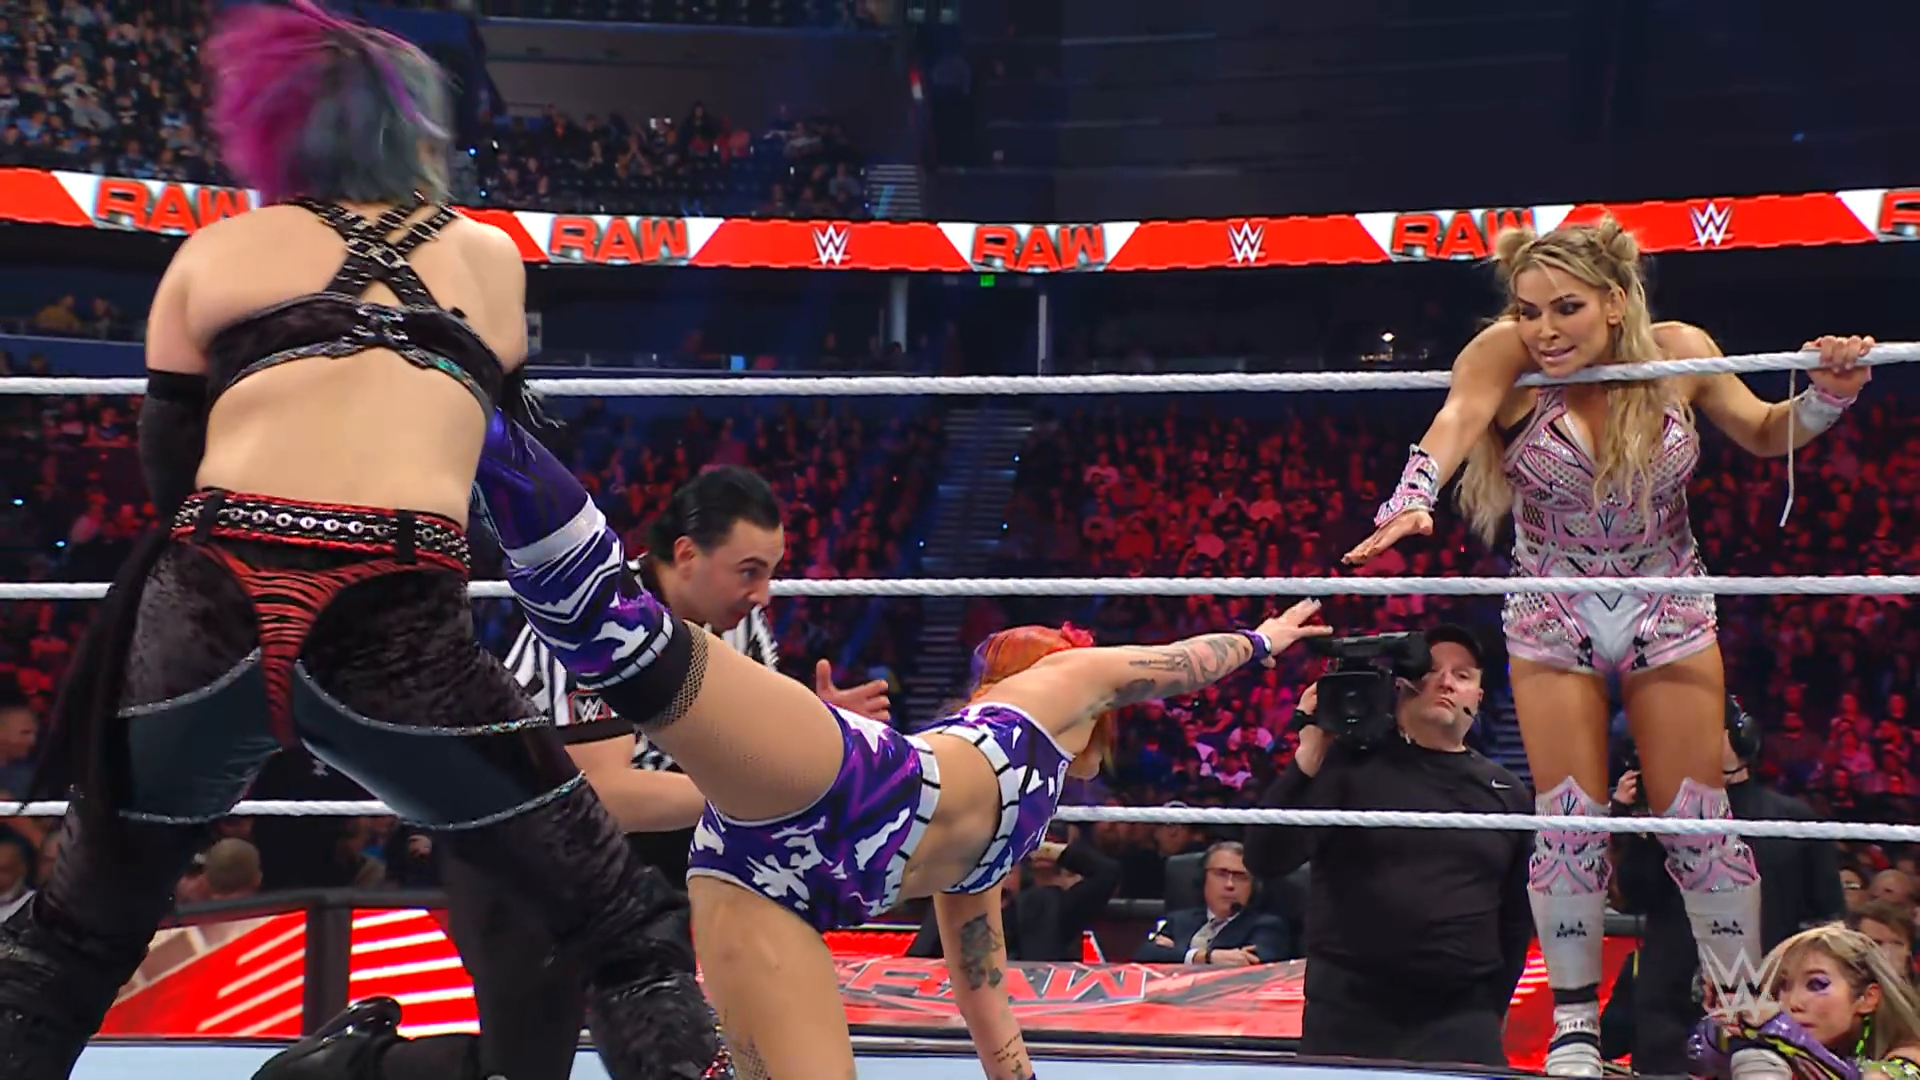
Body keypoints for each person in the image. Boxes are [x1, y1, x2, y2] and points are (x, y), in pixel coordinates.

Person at [0, 5, 722, 1080]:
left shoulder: (214, 253)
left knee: (71, 938)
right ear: (419, 130)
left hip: (208, 599)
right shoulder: (488, 256)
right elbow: (487, 454)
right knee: (620, 924)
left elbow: (170, 469)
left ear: (271, 128)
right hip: (395, 614)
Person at [468, 407, 1335, 1078]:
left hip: (763, 879)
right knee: (616, 632)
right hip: (848, 784)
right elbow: (1175, 665)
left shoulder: (990, 853)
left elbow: (981, 985)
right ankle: (477, 414)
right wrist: (1263, 639)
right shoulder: (1048, 691)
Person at [1343, 216, 1874, 1076]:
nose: (1544, 330)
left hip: (1668, 599)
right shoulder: (1503, 354)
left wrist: (1828, 394)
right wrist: (1412, 497)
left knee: (1699, 822)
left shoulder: (1679, 351)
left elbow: (1763, 429)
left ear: (1617, 301)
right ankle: (1575, 1028)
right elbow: (1455, 419)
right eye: (1528, 310)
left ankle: (1743, 1020)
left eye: (1567, 309)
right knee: (1569, 823)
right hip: (1553, 604)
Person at [270, 465, 891, 1080]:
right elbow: (606, 795)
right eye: (749, 571)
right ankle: (344, 1065)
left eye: (771, 572)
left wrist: (814, 733)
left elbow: (749, 745)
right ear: (686, 555)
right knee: (519, 1073)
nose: (763, 594)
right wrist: (758, 789)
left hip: (625, 861)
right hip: (513, 845)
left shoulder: (741, 624)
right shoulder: (596, 619)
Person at [1243, 623, 1532, 1068]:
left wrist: (1495, 1004)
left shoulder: (1506, 792)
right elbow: (1266, 857)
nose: (1445, 682)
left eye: (1462, 675)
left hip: (1459, 1013)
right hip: (1347, 1010)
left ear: (1478, 696)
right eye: (1431, 669)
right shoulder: (1346, 766)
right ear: (1400, 684)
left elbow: (1515, 918)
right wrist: (1309, 756)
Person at [1612, 695, 1848, 1073]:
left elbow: (1828, 922)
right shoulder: (1664, 820)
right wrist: (1634, 823)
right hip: (1667, 1013)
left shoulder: (1794, 821)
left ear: (1739, 739)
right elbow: (1634, 895)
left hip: (1765, 1012)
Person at [1691, 924, 1920, 1080]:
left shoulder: (1910, 1058)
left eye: (1816, 985)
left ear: (1867, 999)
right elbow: (1697, 1055)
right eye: (1782, 987)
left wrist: (1780, 1030)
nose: (1792, 1003)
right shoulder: (1777, 1054)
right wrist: (1726, 1017)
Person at [1135, 840, 1291, 967]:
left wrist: (1176, 952)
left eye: (1240, 877)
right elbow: (1145, 955)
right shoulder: (1178, 920)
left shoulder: (1268, 927)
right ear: (1203, 879)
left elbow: (1253, 964)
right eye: (1221, 874)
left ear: (1253, 887)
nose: (1229, 885)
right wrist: (1206, 957)